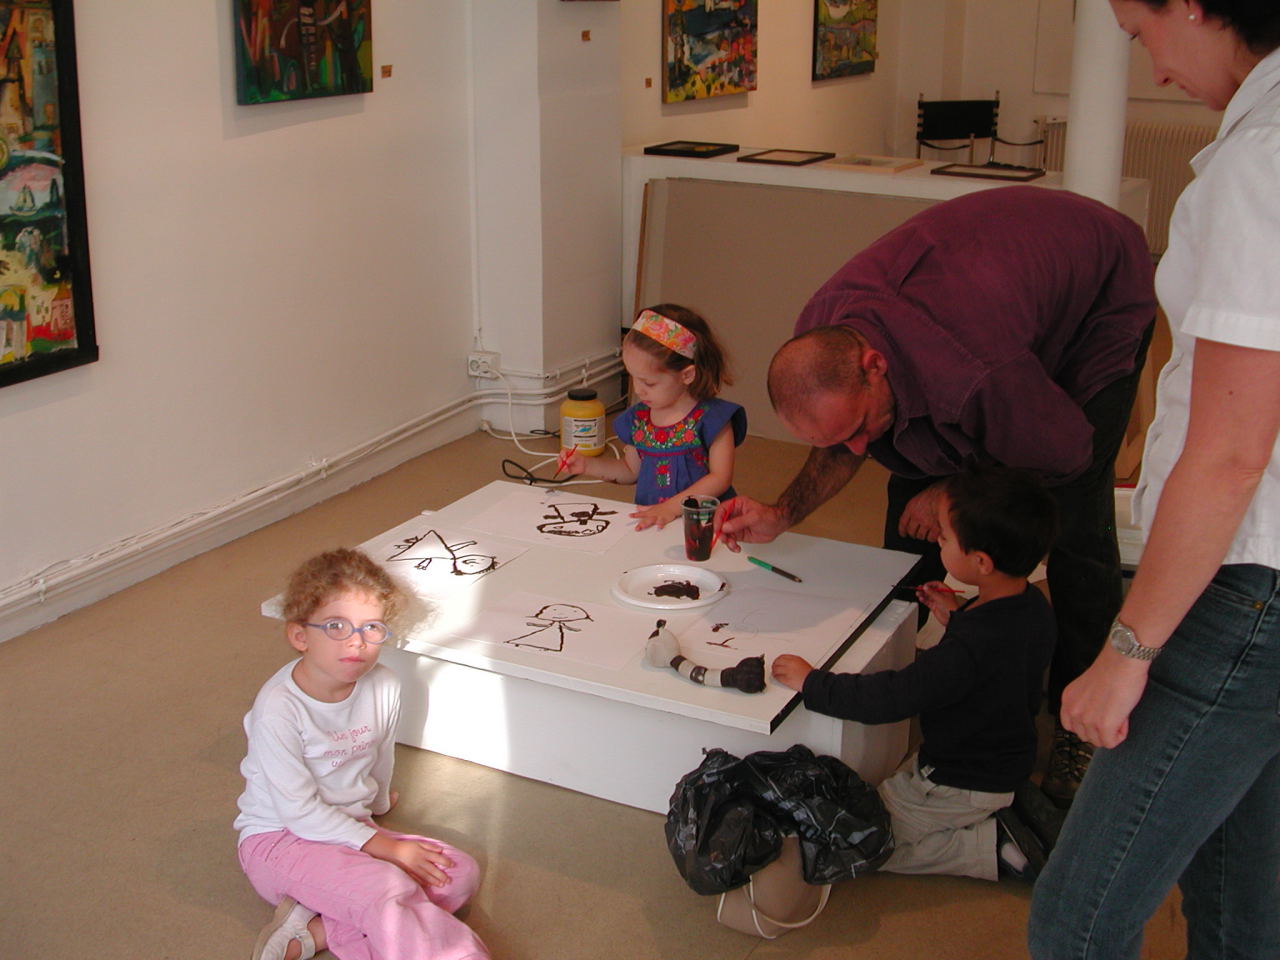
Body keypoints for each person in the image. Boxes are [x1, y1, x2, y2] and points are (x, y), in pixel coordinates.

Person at [717, 185, 1156, 808]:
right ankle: (913, 658)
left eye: (858, 427)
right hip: (995, 287)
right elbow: (850, 441)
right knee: (910, 487)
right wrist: (782, 513)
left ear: (874, 365)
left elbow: (1064, 455)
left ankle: (1077, 723)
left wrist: (953, 489)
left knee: (1073, 517)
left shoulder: (973, 371)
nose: (860, 448)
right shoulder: (826, 337)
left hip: (1099, 289)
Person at [1028, 3, 1280, 957]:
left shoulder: (1262, 160)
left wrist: (1126, 650)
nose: (1156, 69)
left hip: (1243, 590)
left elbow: (1231, 453)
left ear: (1191, 3)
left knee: (1076, 922)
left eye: (1140, 31)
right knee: (1238, 894)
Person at [772, 465, 1058, 882]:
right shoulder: (1031, 606)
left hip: (958, 780)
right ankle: (992, 815)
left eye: (944, 539)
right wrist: (957, 617)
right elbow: (1000, 663)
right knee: (874, 806)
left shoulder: (967, 650)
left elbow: (894, 696)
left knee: (861, 845)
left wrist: (812, 682)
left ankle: (992, 848)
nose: (937, 541)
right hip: (998, 759)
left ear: (981, 561)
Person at [235, 548, 489, 960]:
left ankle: (317, 928)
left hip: (349, 828)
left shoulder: (383, 684)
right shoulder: (278, 707)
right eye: (336, 626)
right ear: (300, 636)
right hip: (281, 841)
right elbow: (297, 812)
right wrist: (385, 847)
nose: (357, 641)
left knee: (457, 874)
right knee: (390, 889)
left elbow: (379, 756)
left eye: (372, 627)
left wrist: (377, 804)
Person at [563, 303, 747, 530]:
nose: (638, 390)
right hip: (655, 522)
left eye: (648, 383)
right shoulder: (638, 419)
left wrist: (670, 508)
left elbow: (720, 478)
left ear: (687, 375)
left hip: (706, 526)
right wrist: (588, 465)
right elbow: (630, 471)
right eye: (632, 377)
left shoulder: (714, 419)